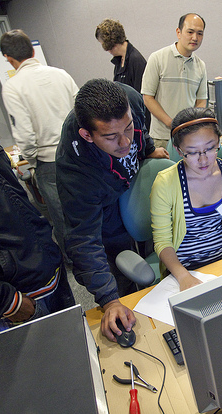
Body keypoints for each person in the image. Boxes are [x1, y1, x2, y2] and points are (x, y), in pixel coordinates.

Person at [56, 79, 168, 341]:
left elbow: (139, 131)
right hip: (103, 207)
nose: (125, 141)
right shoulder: (76, 172)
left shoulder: (130, 99)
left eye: (127, 128)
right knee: (120, 273)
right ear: (87, 135)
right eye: (110, 137)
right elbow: (84, 240)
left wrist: (148, 149)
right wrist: (110, 300)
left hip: (127, 188)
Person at [0, 124, 75, 336]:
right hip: (15, 290)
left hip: (42, 262)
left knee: (75, 342)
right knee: (48, 361)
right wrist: (6, 302)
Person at [151, 107, 222, 291]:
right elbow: (162, 241)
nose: (204, 159)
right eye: (193, 152)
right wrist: (183, 277)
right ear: (178, 150)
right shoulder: (165, 183)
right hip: (184, 268)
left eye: (210, 148)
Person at [0, 29, 79, 257]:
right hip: (78, 154)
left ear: (8, 58)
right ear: (33, 51)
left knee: (63, 218)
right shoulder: (61, 75)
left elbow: (25, 136)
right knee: (88, 208)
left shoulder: (13, 87)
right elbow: (82, 112)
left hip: (49, 163)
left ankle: (77, 265)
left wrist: (32, 162)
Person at [141, 13, 207, 149]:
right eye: (190, 32)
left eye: (200, 34)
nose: (195, 38)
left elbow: (201, 101)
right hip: (161, 139)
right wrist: (172, 123)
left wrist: (189, 127)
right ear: (178, 32)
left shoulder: (201, 66)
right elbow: (148, 97)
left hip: (188, 139)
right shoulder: (157, 58)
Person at [95, 18, 151, 131]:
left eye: (101, 43)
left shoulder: (136, 60)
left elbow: (141, 99)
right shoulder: (119, 61)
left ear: (107, 42)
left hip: (137, 123)